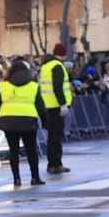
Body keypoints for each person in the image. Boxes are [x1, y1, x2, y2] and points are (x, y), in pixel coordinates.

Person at [0, 57, 46, 187]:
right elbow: (40, 106)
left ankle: (16, 179)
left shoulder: (4, 86)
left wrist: (7, 110)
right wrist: (46, 121)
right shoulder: (33, 86)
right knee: (31, 150)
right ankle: (35, 177)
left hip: (9, 122)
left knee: (13, 151)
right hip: (28, 121)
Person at [38, 44, 73, 174]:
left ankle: (52, 163)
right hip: (56, 106)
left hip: (47, 105)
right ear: (63, 54)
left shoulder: (45, 66)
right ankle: (55, 164)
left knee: (52, 137)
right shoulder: (58, 66)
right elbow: (57, 86)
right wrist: (62, 104)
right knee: (56, 137)